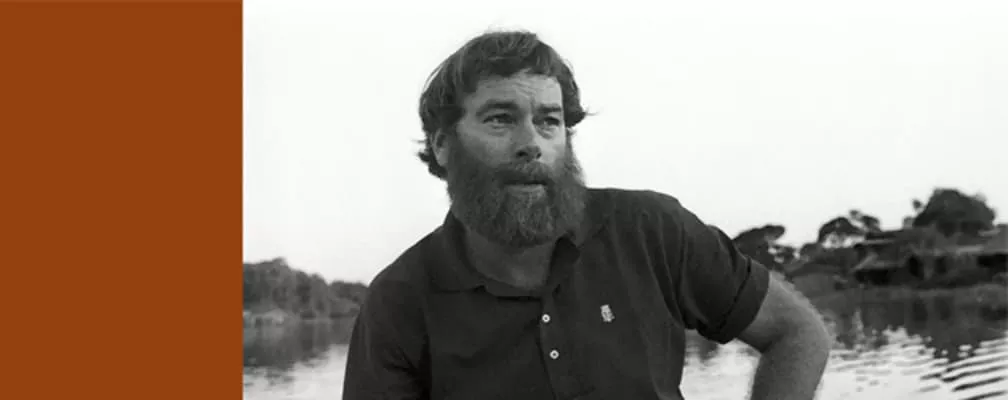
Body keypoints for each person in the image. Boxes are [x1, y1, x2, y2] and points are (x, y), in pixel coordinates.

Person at [342, 30, 832, 400]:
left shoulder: (651, 230)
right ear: (442, 144)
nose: (531, 143)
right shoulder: (398, 304)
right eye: (500, 119)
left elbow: (796, 332)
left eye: (549, 121)